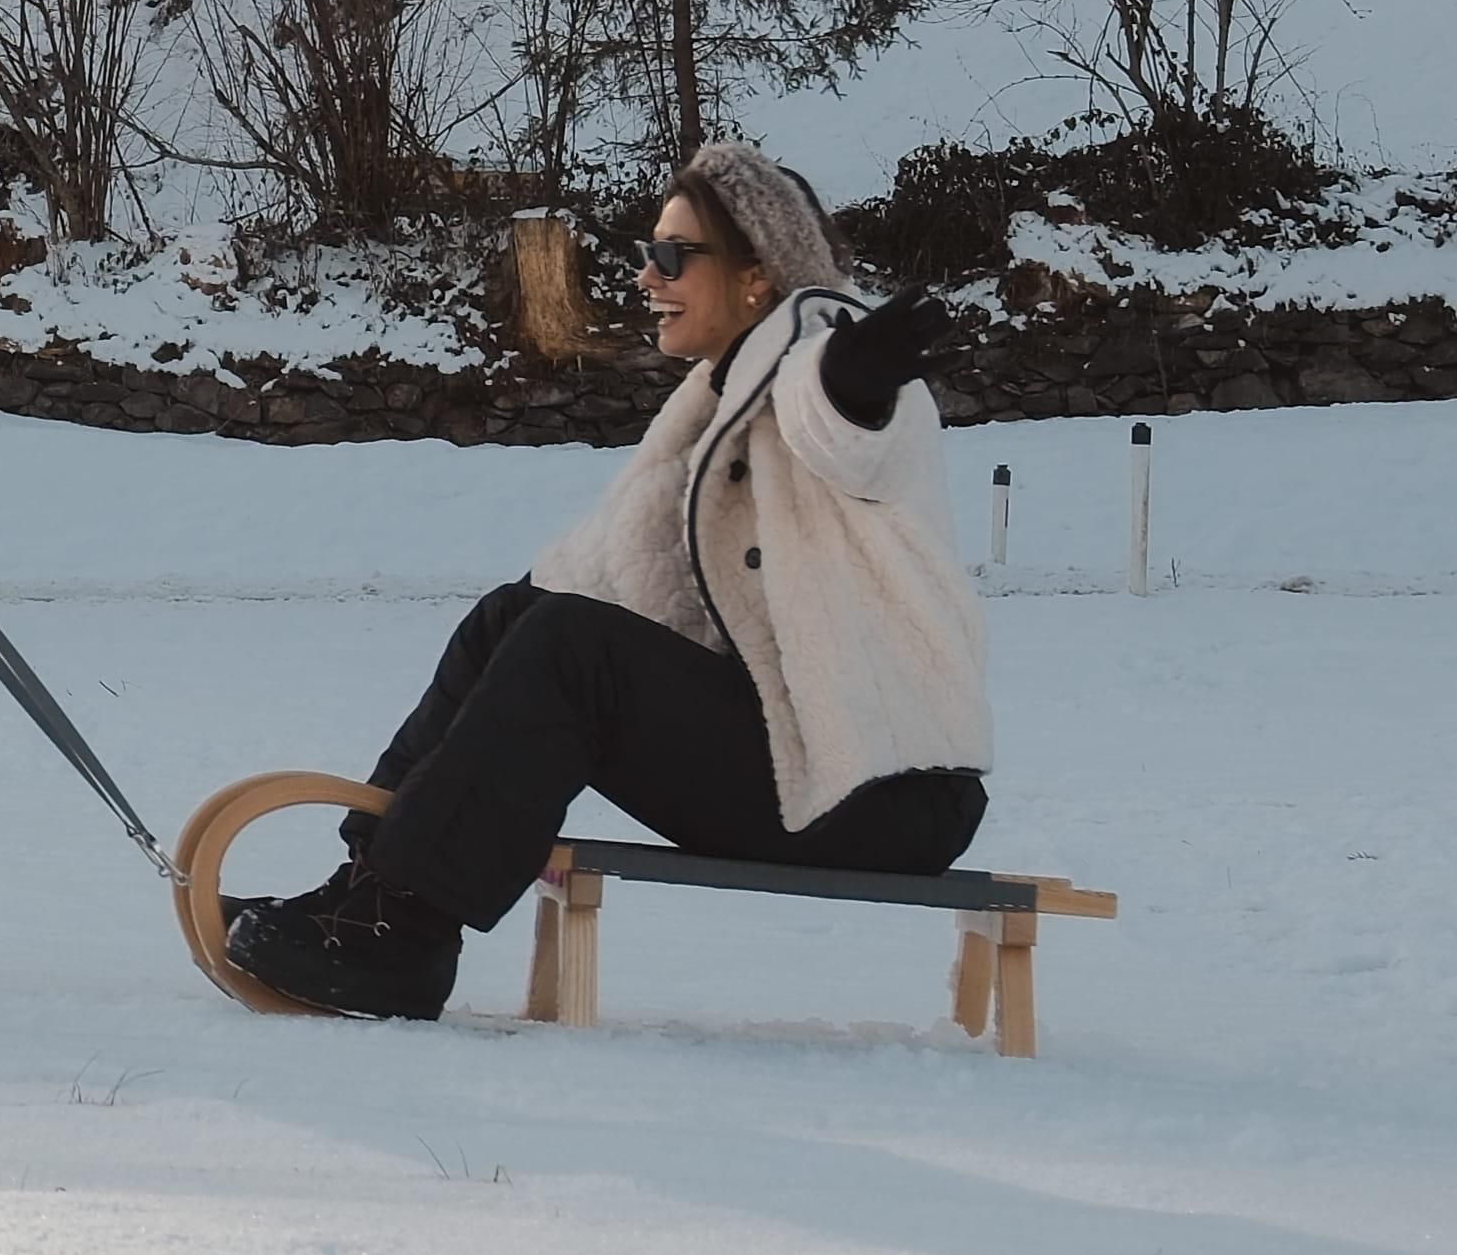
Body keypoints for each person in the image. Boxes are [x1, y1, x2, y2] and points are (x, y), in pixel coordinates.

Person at [215, 144, 989, 1019]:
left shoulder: (830, 363)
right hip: (797, 759)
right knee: (516, 617)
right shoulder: (725, 395)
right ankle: (370, 891)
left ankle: (407, 928)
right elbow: (604, 575)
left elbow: (844, 427)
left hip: (885, 793)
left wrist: (858, 381)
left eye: (671, 255)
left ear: (756, 279)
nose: (646, 275)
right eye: (645, 250)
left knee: (568, 647)